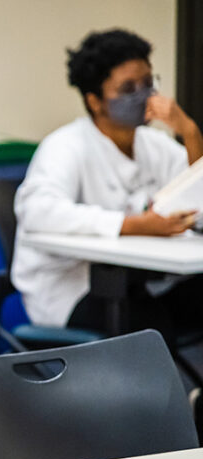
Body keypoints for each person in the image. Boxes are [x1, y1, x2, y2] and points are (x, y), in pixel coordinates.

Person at [12, 29, 203, 333]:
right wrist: (134, 225)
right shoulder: (66, 146)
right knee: (148, 330)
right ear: (95, 101)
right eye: (128, 88)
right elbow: (37, 211)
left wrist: (190, 131)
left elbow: (197, 194)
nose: (144, 96)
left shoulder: (153, 144)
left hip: (141, 281)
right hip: (72, 291)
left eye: (148, 83)